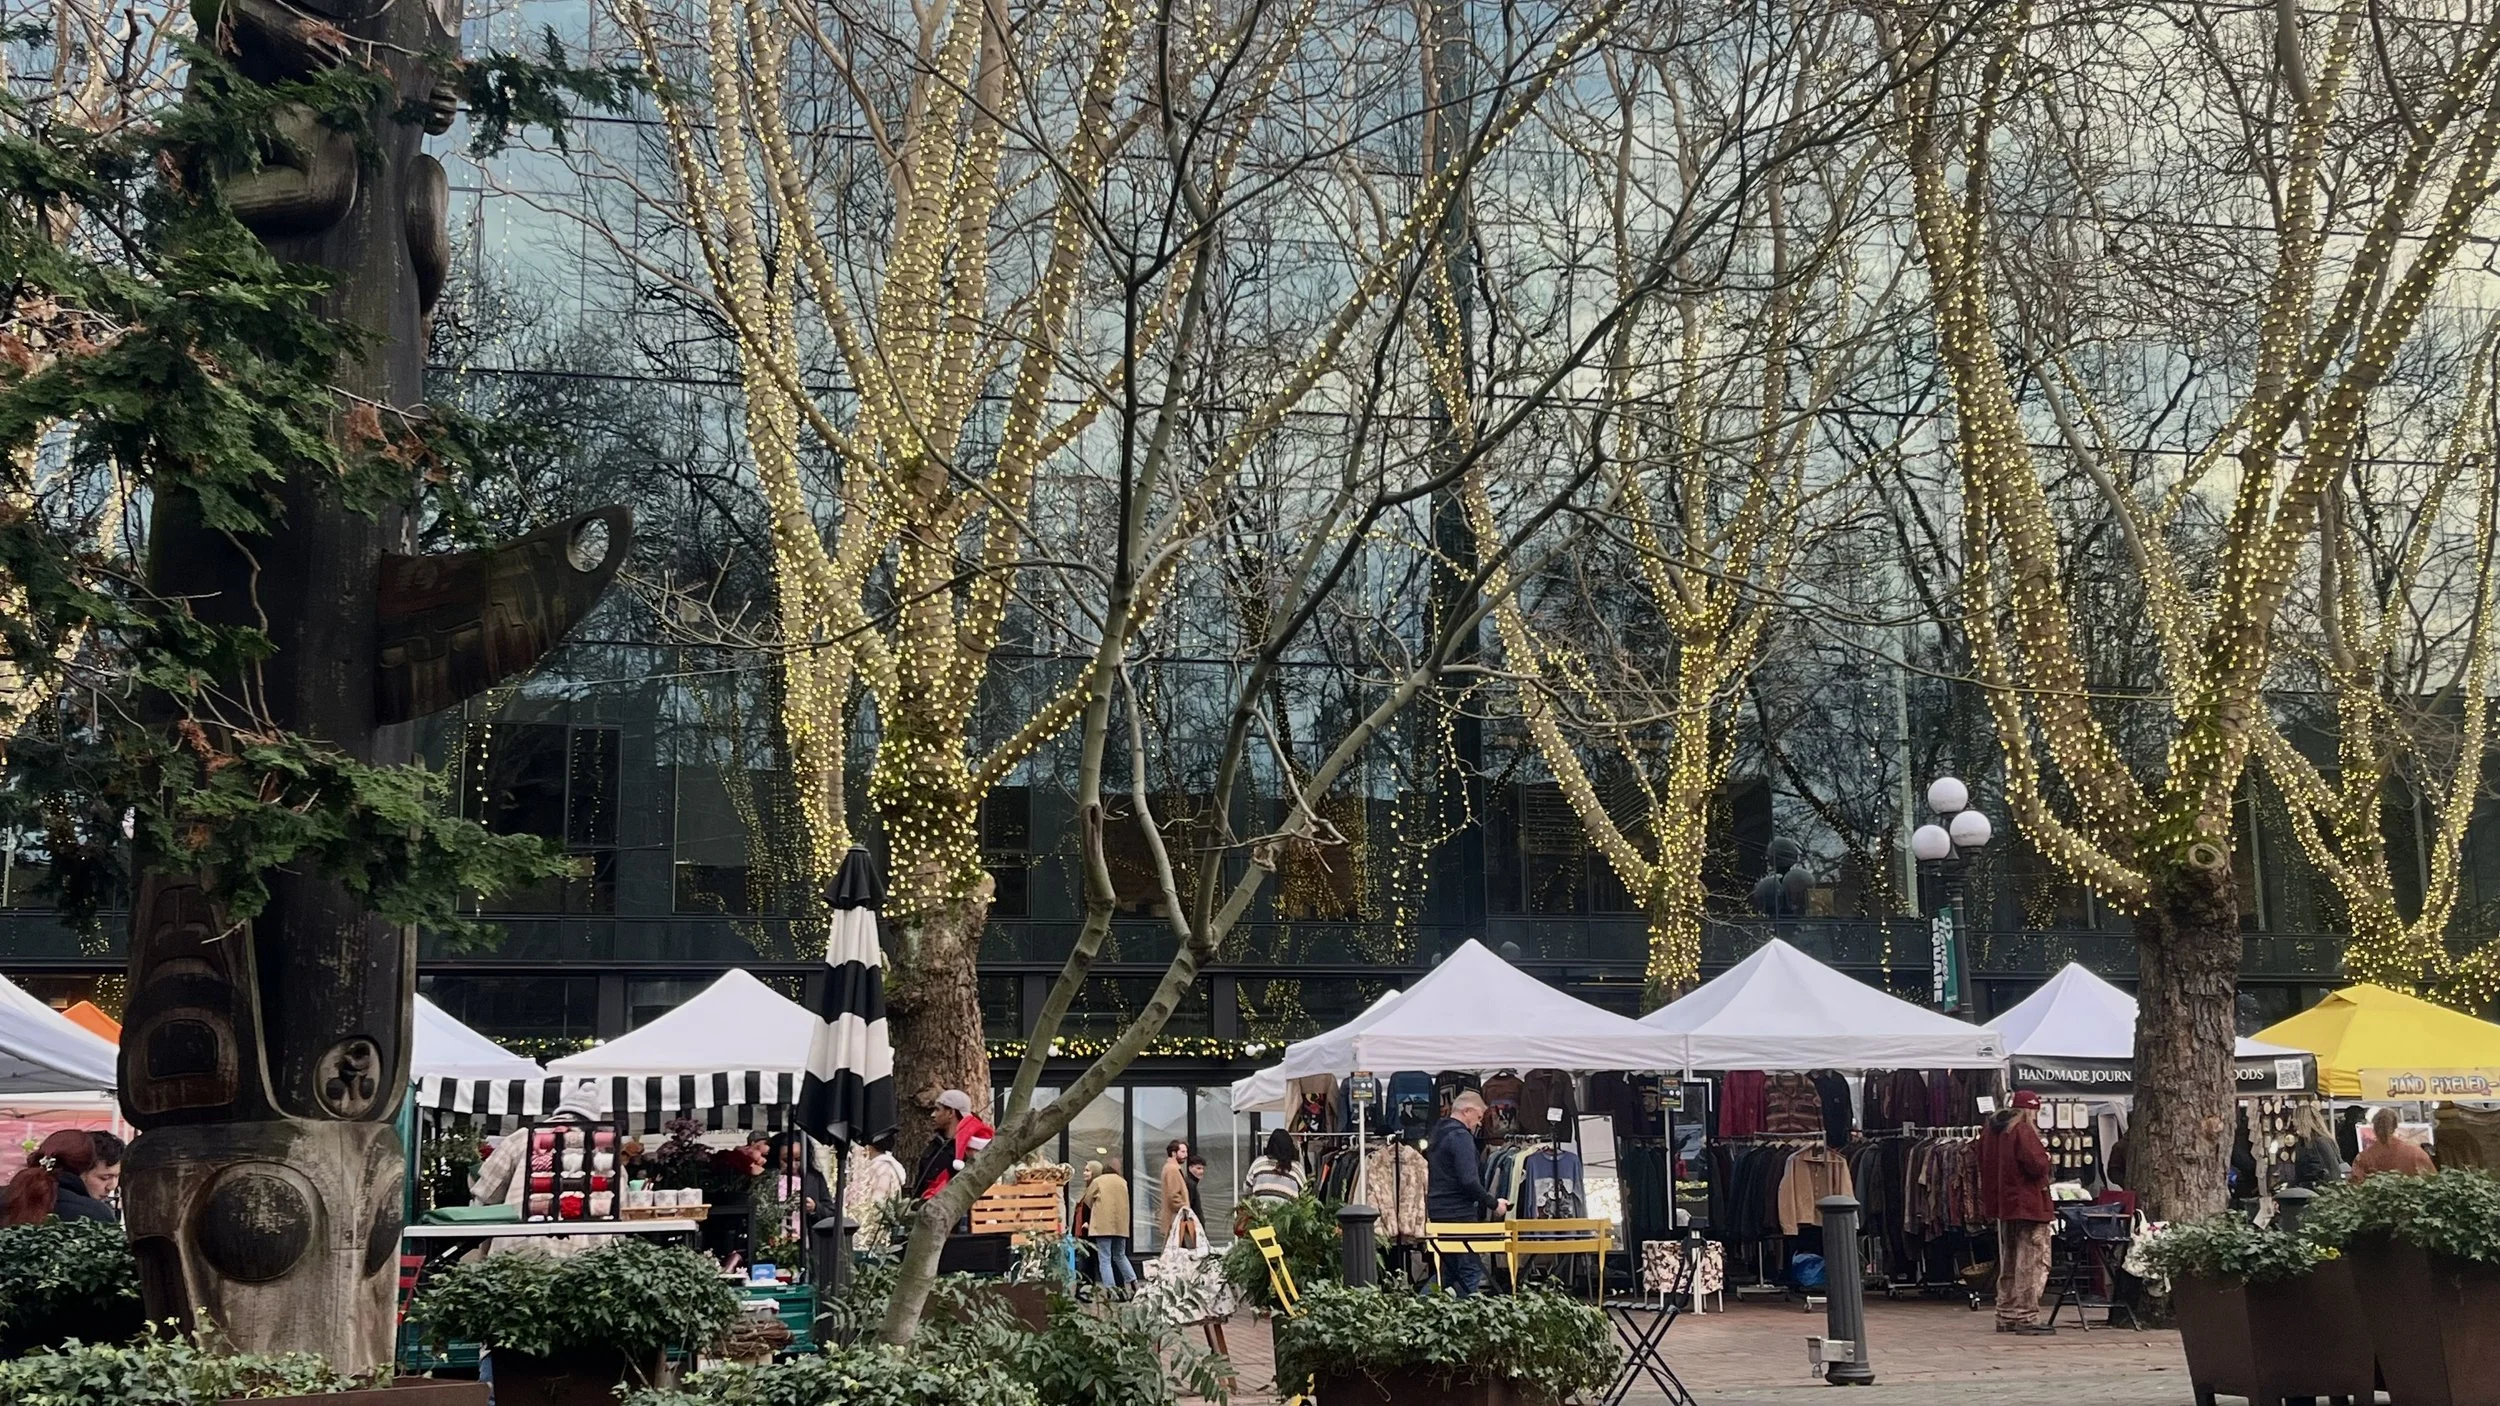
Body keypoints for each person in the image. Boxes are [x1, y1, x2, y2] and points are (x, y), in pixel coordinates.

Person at [1978, 1089, 2056, 1336]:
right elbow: (2036, 1164)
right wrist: (2047, 1158)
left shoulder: (1990, 1131)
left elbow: (1980, 1161)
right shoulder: (2022, 1130)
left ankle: (2006, 1312)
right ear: (2030, 1109)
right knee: (2031, 1260)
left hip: (2004, 1204)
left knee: (2009, 1259)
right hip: (2029, 1204)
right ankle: (2026, 1315)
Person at [1425, 1091, 1505, 1296]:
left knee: (1448, 1271)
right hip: (1459, 1213)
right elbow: (1469, 1180)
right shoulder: (1460, 1137)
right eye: (1478, 1117)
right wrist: (1493, 1204)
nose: (1479, 1124)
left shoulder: (1437, 1134)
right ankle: (1456, 1318)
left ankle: (1420, 1311)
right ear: (1466, 1110)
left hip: (1439, 1210)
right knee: (1470, 1269)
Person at [1, 1130, 116, 1225]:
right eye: (105, 1177)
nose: (113, 1185)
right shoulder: (94, 1213)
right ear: (86, 1168)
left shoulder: (9, 1196)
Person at [914, 1089, 995, 1199]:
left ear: (951, 1113)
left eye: (938, 1109)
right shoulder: (935, 1145)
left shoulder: (972, 1151)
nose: (933, 1115)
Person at [1081, 1154, 1138, 1299]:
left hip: (1102, 1226)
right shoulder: (1123, 1182)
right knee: (1120, 1255)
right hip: (1121, 1226)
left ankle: (1111, 1291)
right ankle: (1133, 1282)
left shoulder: (1099, 1181)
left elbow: (1087, 1199)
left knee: (1105, 1259)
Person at [2349, 1107, 2436, 1181]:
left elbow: (2355, 1186)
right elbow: (2434, 1181)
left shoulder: (2364, 1157)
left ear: (2374, 1127)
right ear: (2396, 1126)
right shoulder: (2417, 1153)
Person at [2288, 1102, 2347, 1189]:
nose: (2293, 1121)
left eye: (2295, 1118)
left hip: (2321, 1191)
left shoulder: (2321, 1141)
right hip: (2306, 1190)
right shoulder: (2301, 1143)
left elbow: (2334, 1169)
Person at [1244, 1128, 1304, 1209]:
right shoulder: (1296, 1169)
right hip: (1287, 1217)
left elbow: (1247, 1189)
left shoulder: (1258, 1163)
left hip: (1260, 1217)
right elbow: (1304, 1194)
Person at [1156, 1138, 1192, 1250]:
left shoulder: (1171, 1168)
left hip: (1175, 1218)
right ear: (1173, 1153)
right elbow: (1173, 1196)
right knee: (1175, 1252)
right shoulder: (1172, 1169)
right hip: (1176, 1218)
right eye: (1182, 1152)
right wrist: (1185, 1208)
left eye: (1186, 1152)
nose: (1186, 1155)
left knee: (1174, 1252)